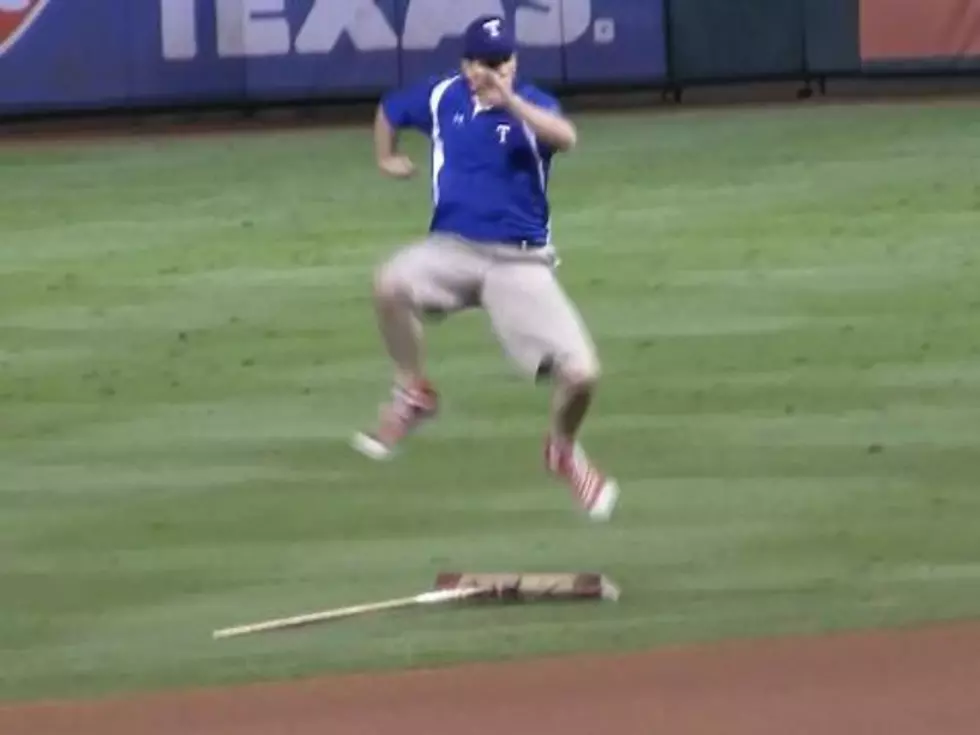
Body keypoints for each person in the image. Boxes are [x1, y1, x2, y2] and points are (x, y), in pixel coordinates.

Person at [351, 14, 619, 521]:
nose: (494, 71)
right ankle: (413, 392)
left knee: (582, 374)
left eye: (502, 62)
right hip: (452, 250)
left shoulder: (532, 104)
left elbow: (566, 137)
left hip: (518, 261)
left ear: (513, 63)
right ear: (466, 65)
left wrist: (512, 103)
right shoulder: (441, 97)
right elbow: (389, 109)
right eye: (484, 63)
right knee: (389, 282)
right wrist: (385, 158)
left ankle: (562, 450)